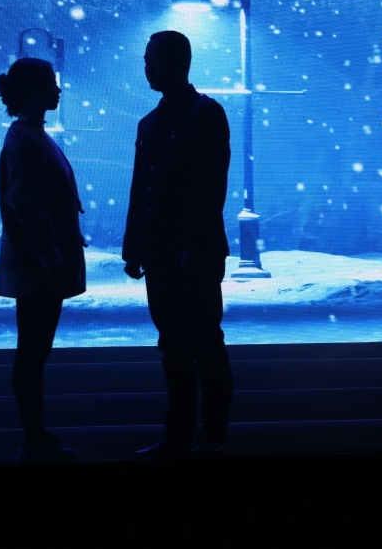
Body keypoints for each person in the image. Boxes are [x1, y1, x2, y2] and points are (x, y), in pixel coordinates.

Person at [123, 30, 233, 458]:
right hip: (171, 251)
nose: (147, 68)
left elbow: (208, 189)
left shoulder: (190, 116)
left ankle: (200, 433)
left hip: (181, 251)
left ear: (175, 62)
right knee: (184, 344)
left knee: (196, 344)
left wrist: (186, 246)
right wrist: (136, 246)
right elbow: (145, 189)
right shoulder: (189, 116)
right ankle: (198, 434)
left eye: (152, 60)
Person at [0, 57, 86, 464]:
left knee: (33, 352)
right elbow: (29, 204)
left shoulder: (28, 136)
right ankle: (33, 437)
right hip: (38, 268)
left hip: (37, 264)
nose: (58, 89)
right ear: (34, 90)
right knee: (33, 352)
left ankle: (34, 435)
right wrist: (51, 259)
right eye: (51, 82)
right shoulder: (27, 140)